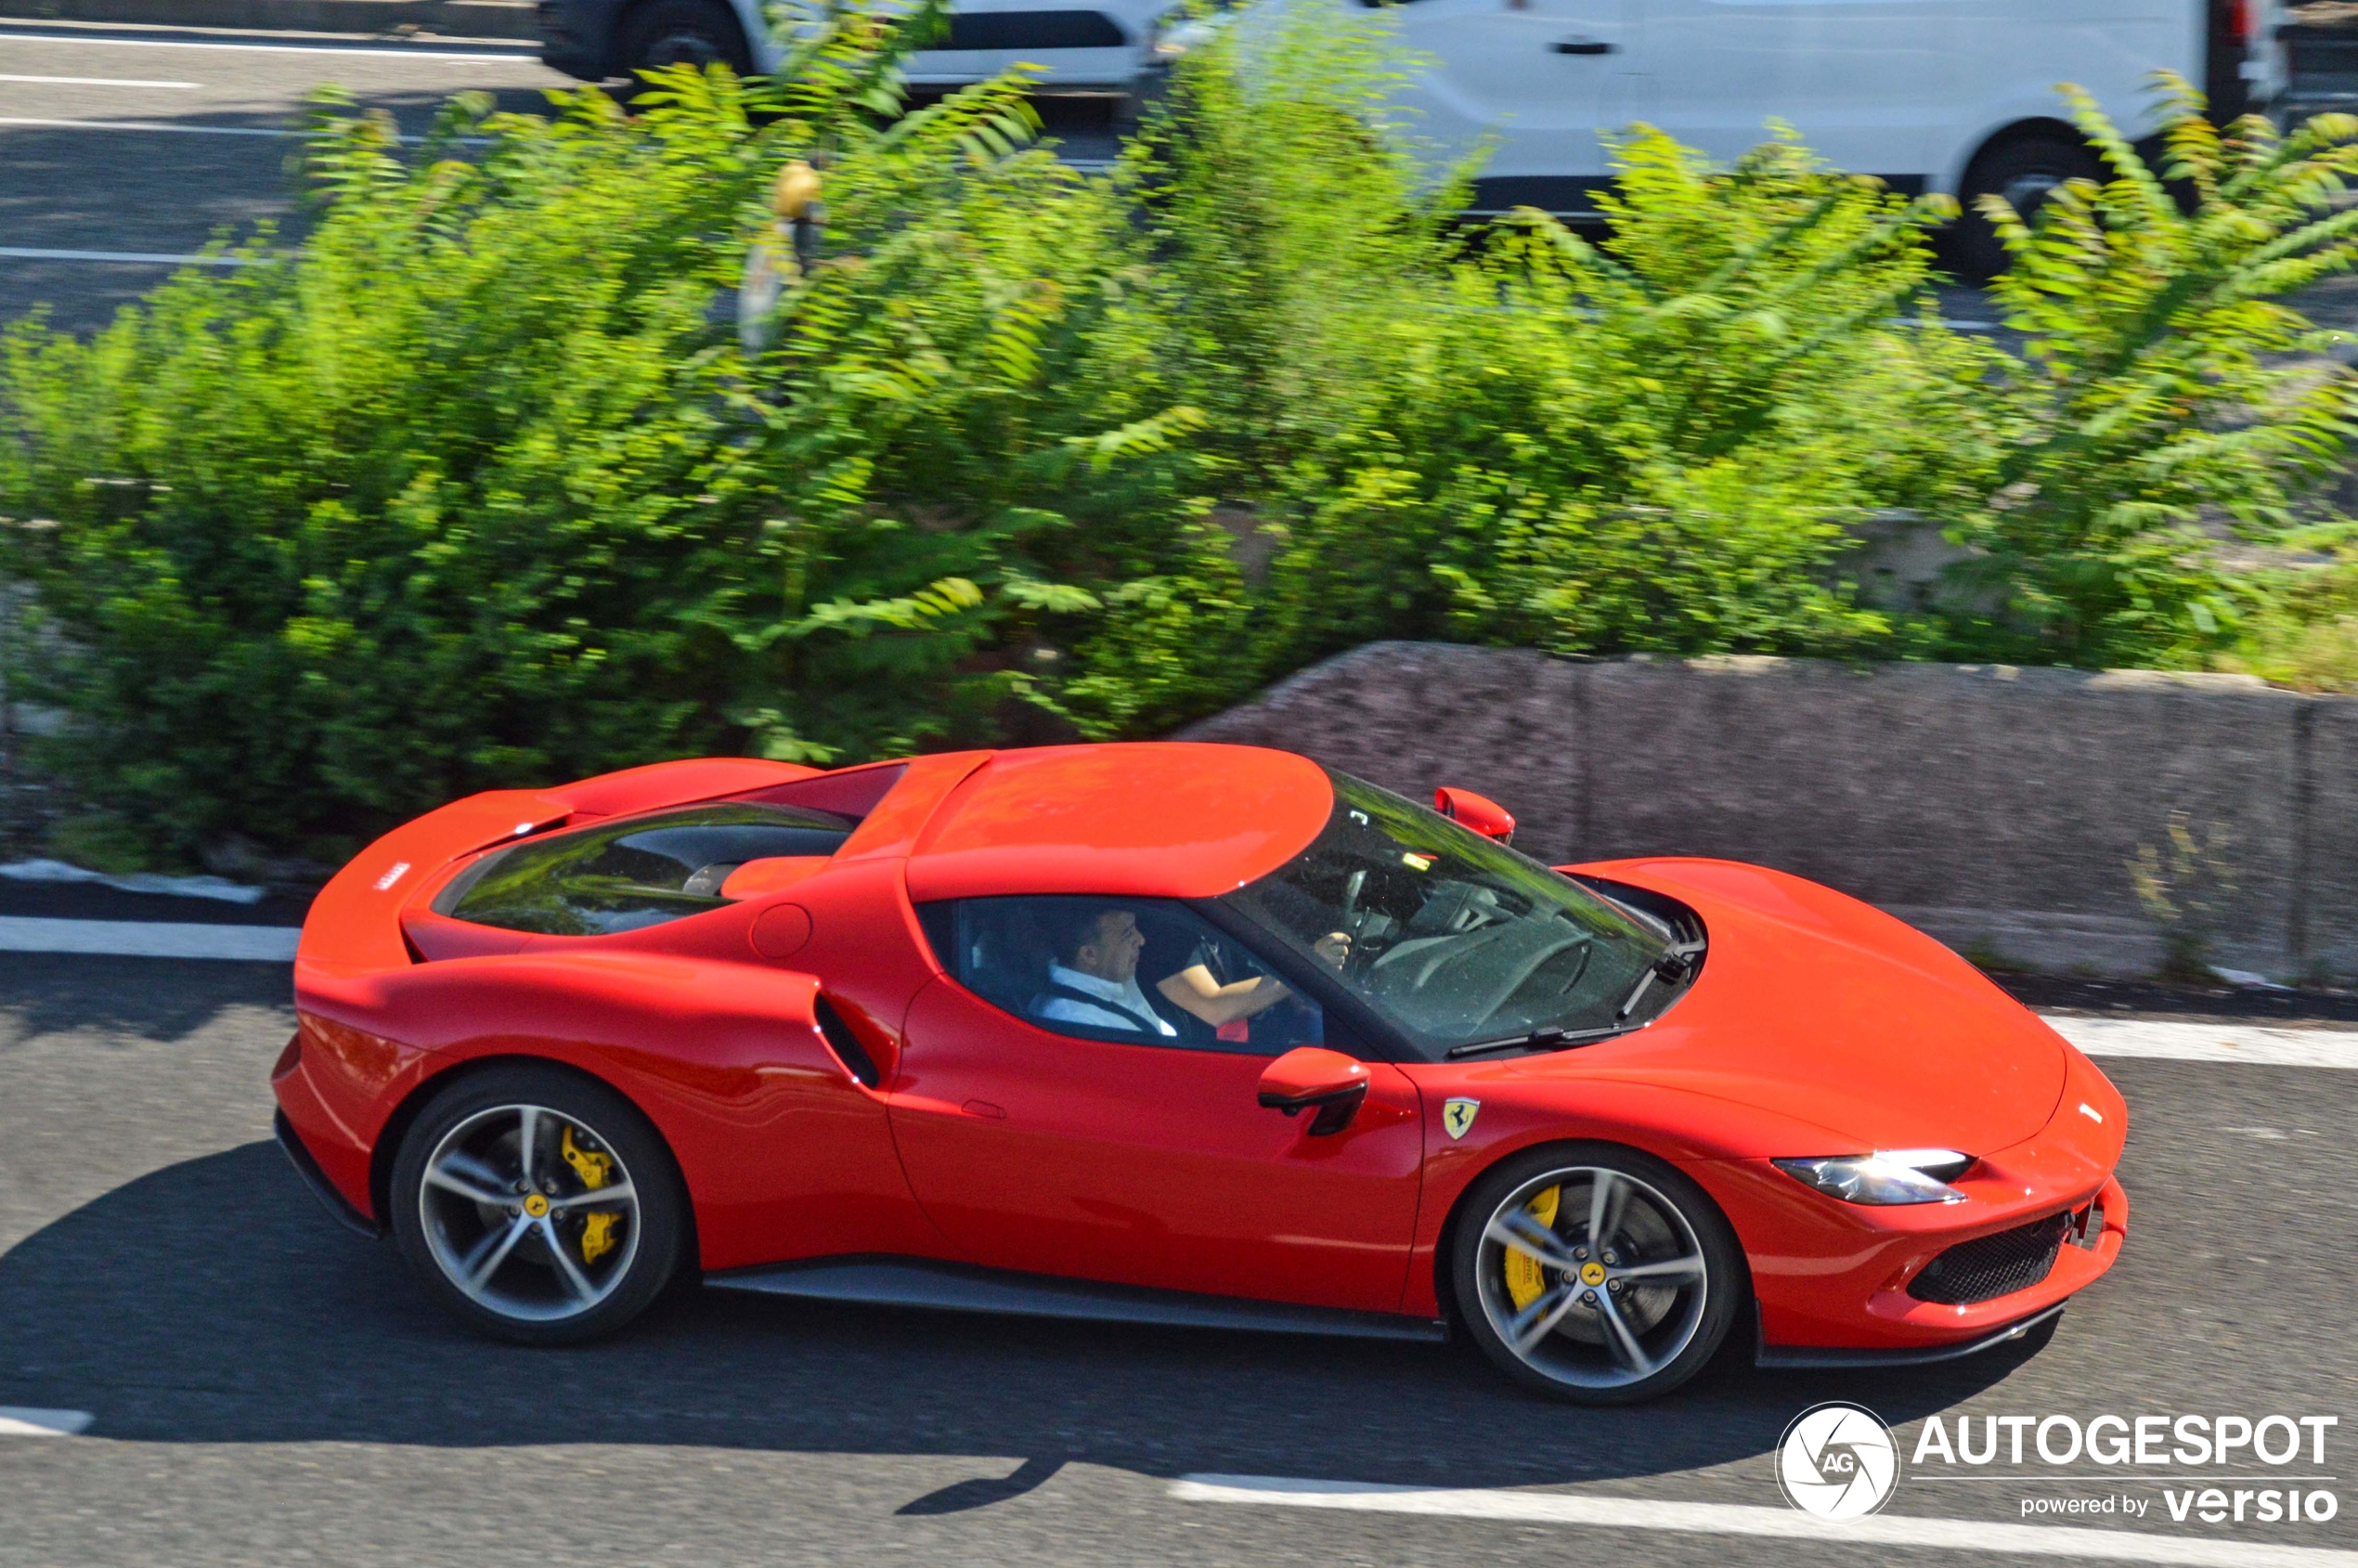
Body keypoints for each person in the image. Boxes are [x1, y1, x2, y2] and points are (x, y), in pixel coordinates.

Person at [1033, 906, 1179, 1037]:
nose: (1141, 940)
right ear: (1090, 954)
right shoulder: (1076, 1022)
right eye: (1128, 933)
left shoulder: (1113, 972)